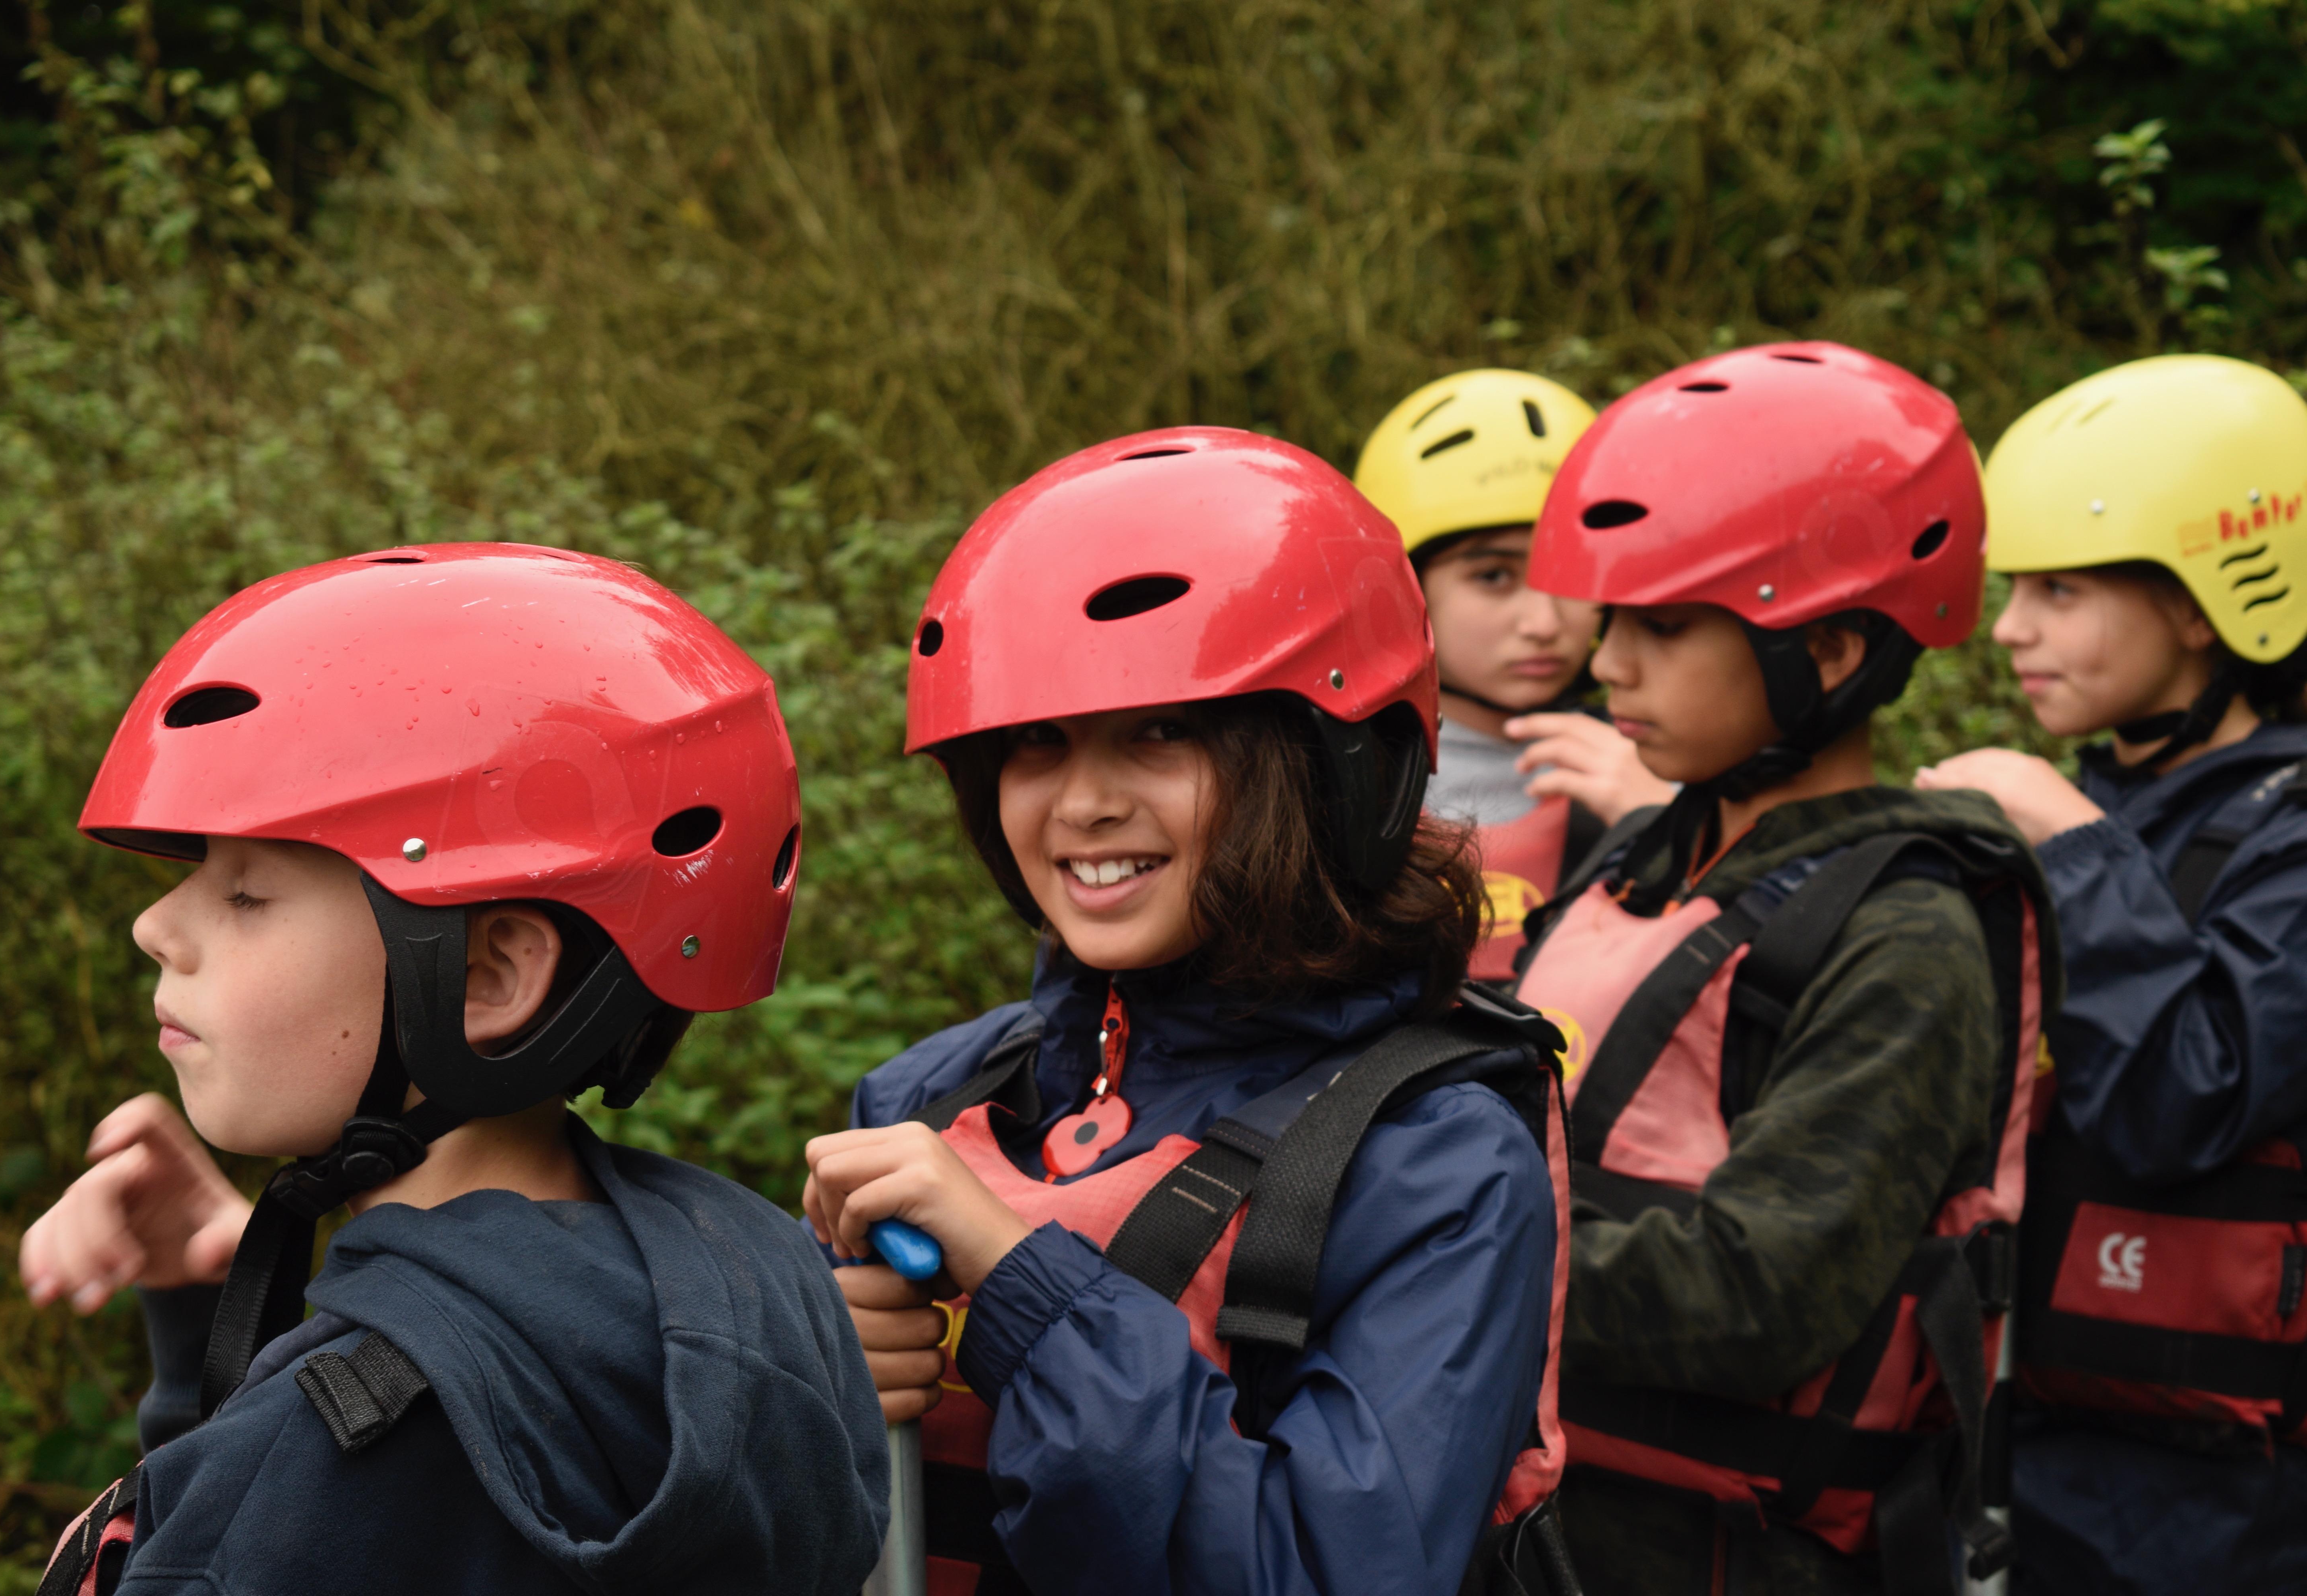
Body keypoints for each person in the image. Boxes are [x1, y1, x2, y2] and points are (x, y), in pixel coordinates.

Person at [18, 544, 888, 1596]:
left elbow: (283, 1516)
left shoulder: (340, 1442)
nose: (155, 925)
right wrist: (215, 1323)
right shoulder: (751, 1288)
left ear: (488, 975)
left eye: (247, 895)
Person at [798, 428, 1573, 1596]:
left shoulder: (1441, 1160)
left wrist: (1016, 1281)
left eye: (1160, 734)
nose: (1084, 804)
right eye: (1037, 744)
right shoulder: (931, 1099)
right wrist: (811, 1378)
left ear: (1332, 768)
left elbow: (1330, 1574)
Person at [1509, 343, 2057, 1596]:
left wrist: (1437, 1245)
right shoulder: (1648, 859)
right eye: (1611, 622)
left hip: (1733, 1559)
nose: (1608, 665)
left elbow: (1761, 1297)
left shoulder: (1906, 935)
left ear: (1829, 652)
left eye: (1662, 628)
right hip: (1549, 1520)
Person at [1916, 354, 2307, 1595]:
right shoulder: (2097, 803)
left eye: (2063, 590)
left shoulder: (2285, 834)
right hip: (2029, 1455)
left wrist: (2069, 841)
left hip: (2217, 1505)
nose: (2011, 629)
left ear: (2203, 607)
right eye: (2015, 589)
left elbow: (2185, 1095)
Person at [1355, 369, 1673, 974]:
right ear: (1402, 588)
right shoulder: (1332, 790)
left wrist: (1667, 825)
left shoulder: (1666, 769)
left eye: (1568, 573)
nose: (1544, 622)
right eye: (1494, 576)